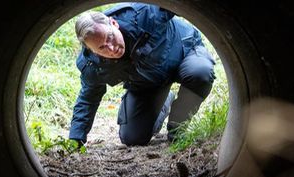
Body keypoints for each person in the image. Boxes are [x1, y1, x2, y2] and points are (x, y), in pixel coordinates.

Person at [68, 3, 216, 147]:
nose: (112, 48)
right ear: (93, 51)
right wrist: (76, 139)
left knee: (200, 73)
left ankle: (177, 128)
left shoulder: (145, 13)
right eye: (102, 48)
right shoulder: (92, 65)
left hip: (185, 51)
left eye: (110, 37)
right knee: (132, 138)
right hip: (149, 83)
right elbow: (88, 98)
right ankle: (164, 100)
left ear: (114, 23)